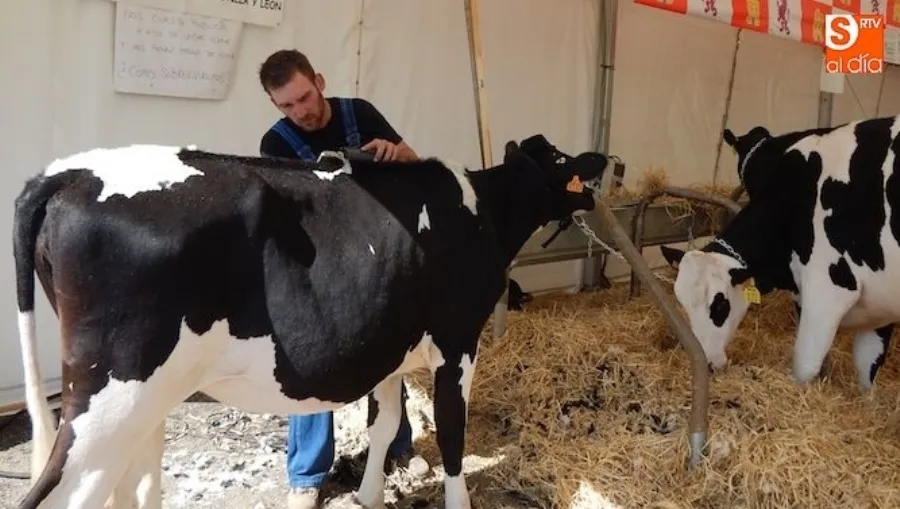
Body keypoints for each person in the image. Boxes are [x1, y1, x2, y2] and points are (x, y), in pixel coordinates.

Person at [257, 49, 428, 509]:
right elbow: (283, 223)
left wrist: (398, 154)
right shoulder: (273, 145)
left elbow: (415, 164)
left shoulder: (360, 113)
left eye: (305, 98)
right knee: (311, 363)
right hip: (318, 267)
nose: (301, 112)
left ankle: (397, 445)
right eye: (287, 106)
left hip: (377, 259)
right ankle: (307, 477)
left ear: (319, 80)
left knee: (387, 353)